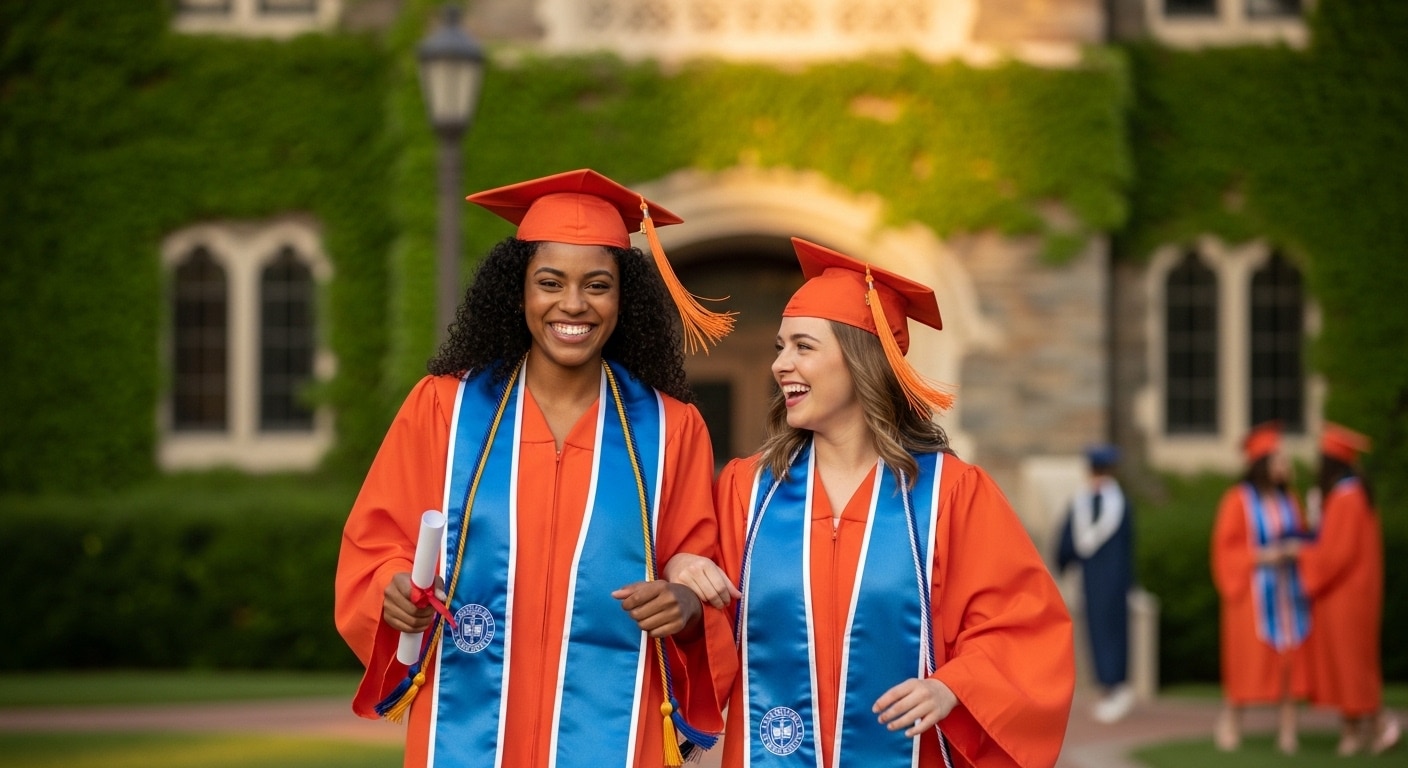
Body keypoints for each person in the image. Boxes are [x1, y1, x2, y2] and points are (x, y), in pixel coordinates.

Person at [334, 169, 738, 768]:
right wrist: (394, 590)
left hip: (616, 735)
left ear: (622, 299)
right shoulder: (445, 408)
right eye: (550, 282)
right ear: (517, 291)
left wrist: (684, 610)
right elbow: (378, 544)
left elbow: (703, 575)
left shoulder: (669, 429)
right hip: (465, 729)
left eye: (597, 285)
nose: (572, 304)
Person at [667, 238, 1075, 767]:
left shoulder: (949, 495)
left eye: (803, 347)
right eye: (779, 347)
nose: (780, 365)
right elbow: (705, 628)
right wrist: (684, 574)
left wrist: (954, 686)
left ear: (862, 361)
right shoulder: (748, 492)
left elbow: (1022, 627)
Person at [1298, 423, 1400, 756]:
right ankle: (1363, 729)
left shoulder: (1347, 499)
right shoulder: (1352, 496)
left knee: (1351, 664)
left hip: (1346, 596)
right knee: (1350, 663)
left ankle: (1374, 725)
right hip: (1349, 595)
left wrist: (1303, 555)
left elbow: (1335, 554)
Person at [1210, 421, 1310, 754]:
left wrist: (1299, 548)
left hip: (1288, 596)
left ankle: (1288, 732)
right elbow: (1226, 549)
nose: (1286, 466)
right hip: (1252, 597)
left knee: (1289, 666)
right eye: (1279, 460)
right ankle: (1232, 722)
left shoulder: (1291, 500)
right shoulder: (1237, 500)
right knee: (1245, 664)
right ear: (1263, 464)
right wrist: (1263, 556)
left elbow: (1303, 536)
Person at [1057, 443, 1135, 724]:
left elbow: (1069, 544)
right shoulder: (1085, 501)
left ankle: (1114, 686)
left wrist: (1064, 562)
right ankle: (1109, 686)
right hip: (1098, 579)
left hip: (1110, 579)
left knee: (1110, 630)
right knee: (1099, 631)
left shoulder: (1116, 503)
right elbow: (1068, 541)